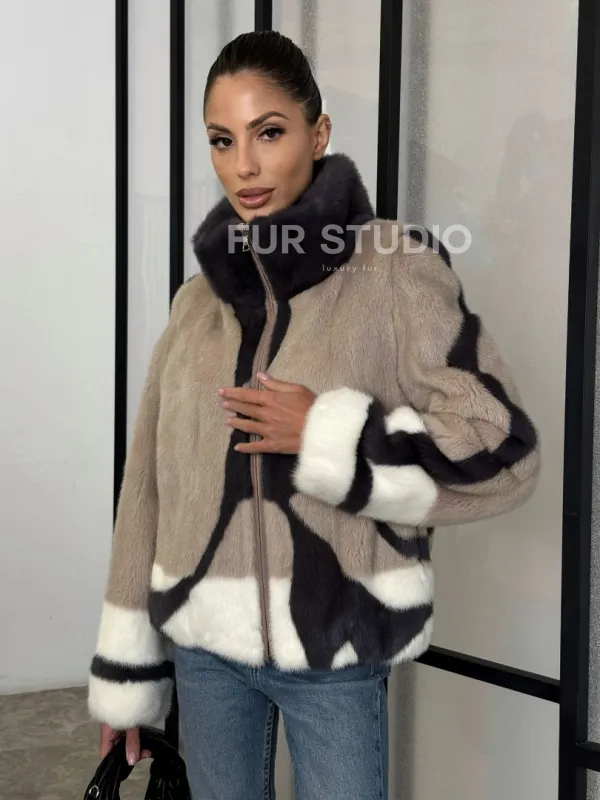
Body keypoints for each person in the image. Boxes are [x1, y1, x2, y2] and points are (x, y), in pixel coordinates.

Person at [88, 30, 540, 800]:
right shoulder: (197, 303)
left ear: (318, 132)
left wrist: (332, 437)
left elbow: (502, 451)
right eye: (223, 140)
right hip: (203, 653)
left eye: (269, 133)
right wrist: (127, 669)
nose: (244, 164)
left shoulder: (392, 272)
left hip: (335, 652)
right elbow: (147, 490)